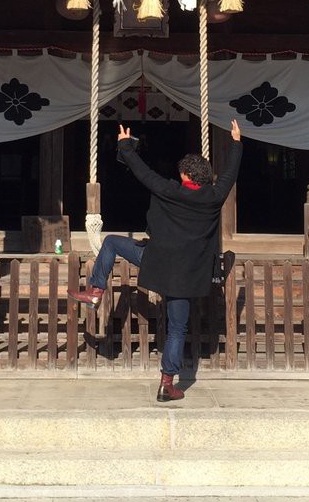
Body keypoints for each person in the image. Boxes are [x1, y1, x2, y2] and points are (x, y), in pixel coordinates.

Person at [70, 120, 243, 401]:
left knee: (112, 242)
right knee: (177, 329)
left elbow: (143, 173)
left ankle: (96, 290)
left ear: (185, 175)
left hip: (155, 260)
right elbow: (230, 175)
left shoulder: (170, 190)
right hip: (186, 274)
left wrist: (126, 145)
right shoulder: (213, 196)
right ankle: (167, 384)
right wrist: (236, 144)